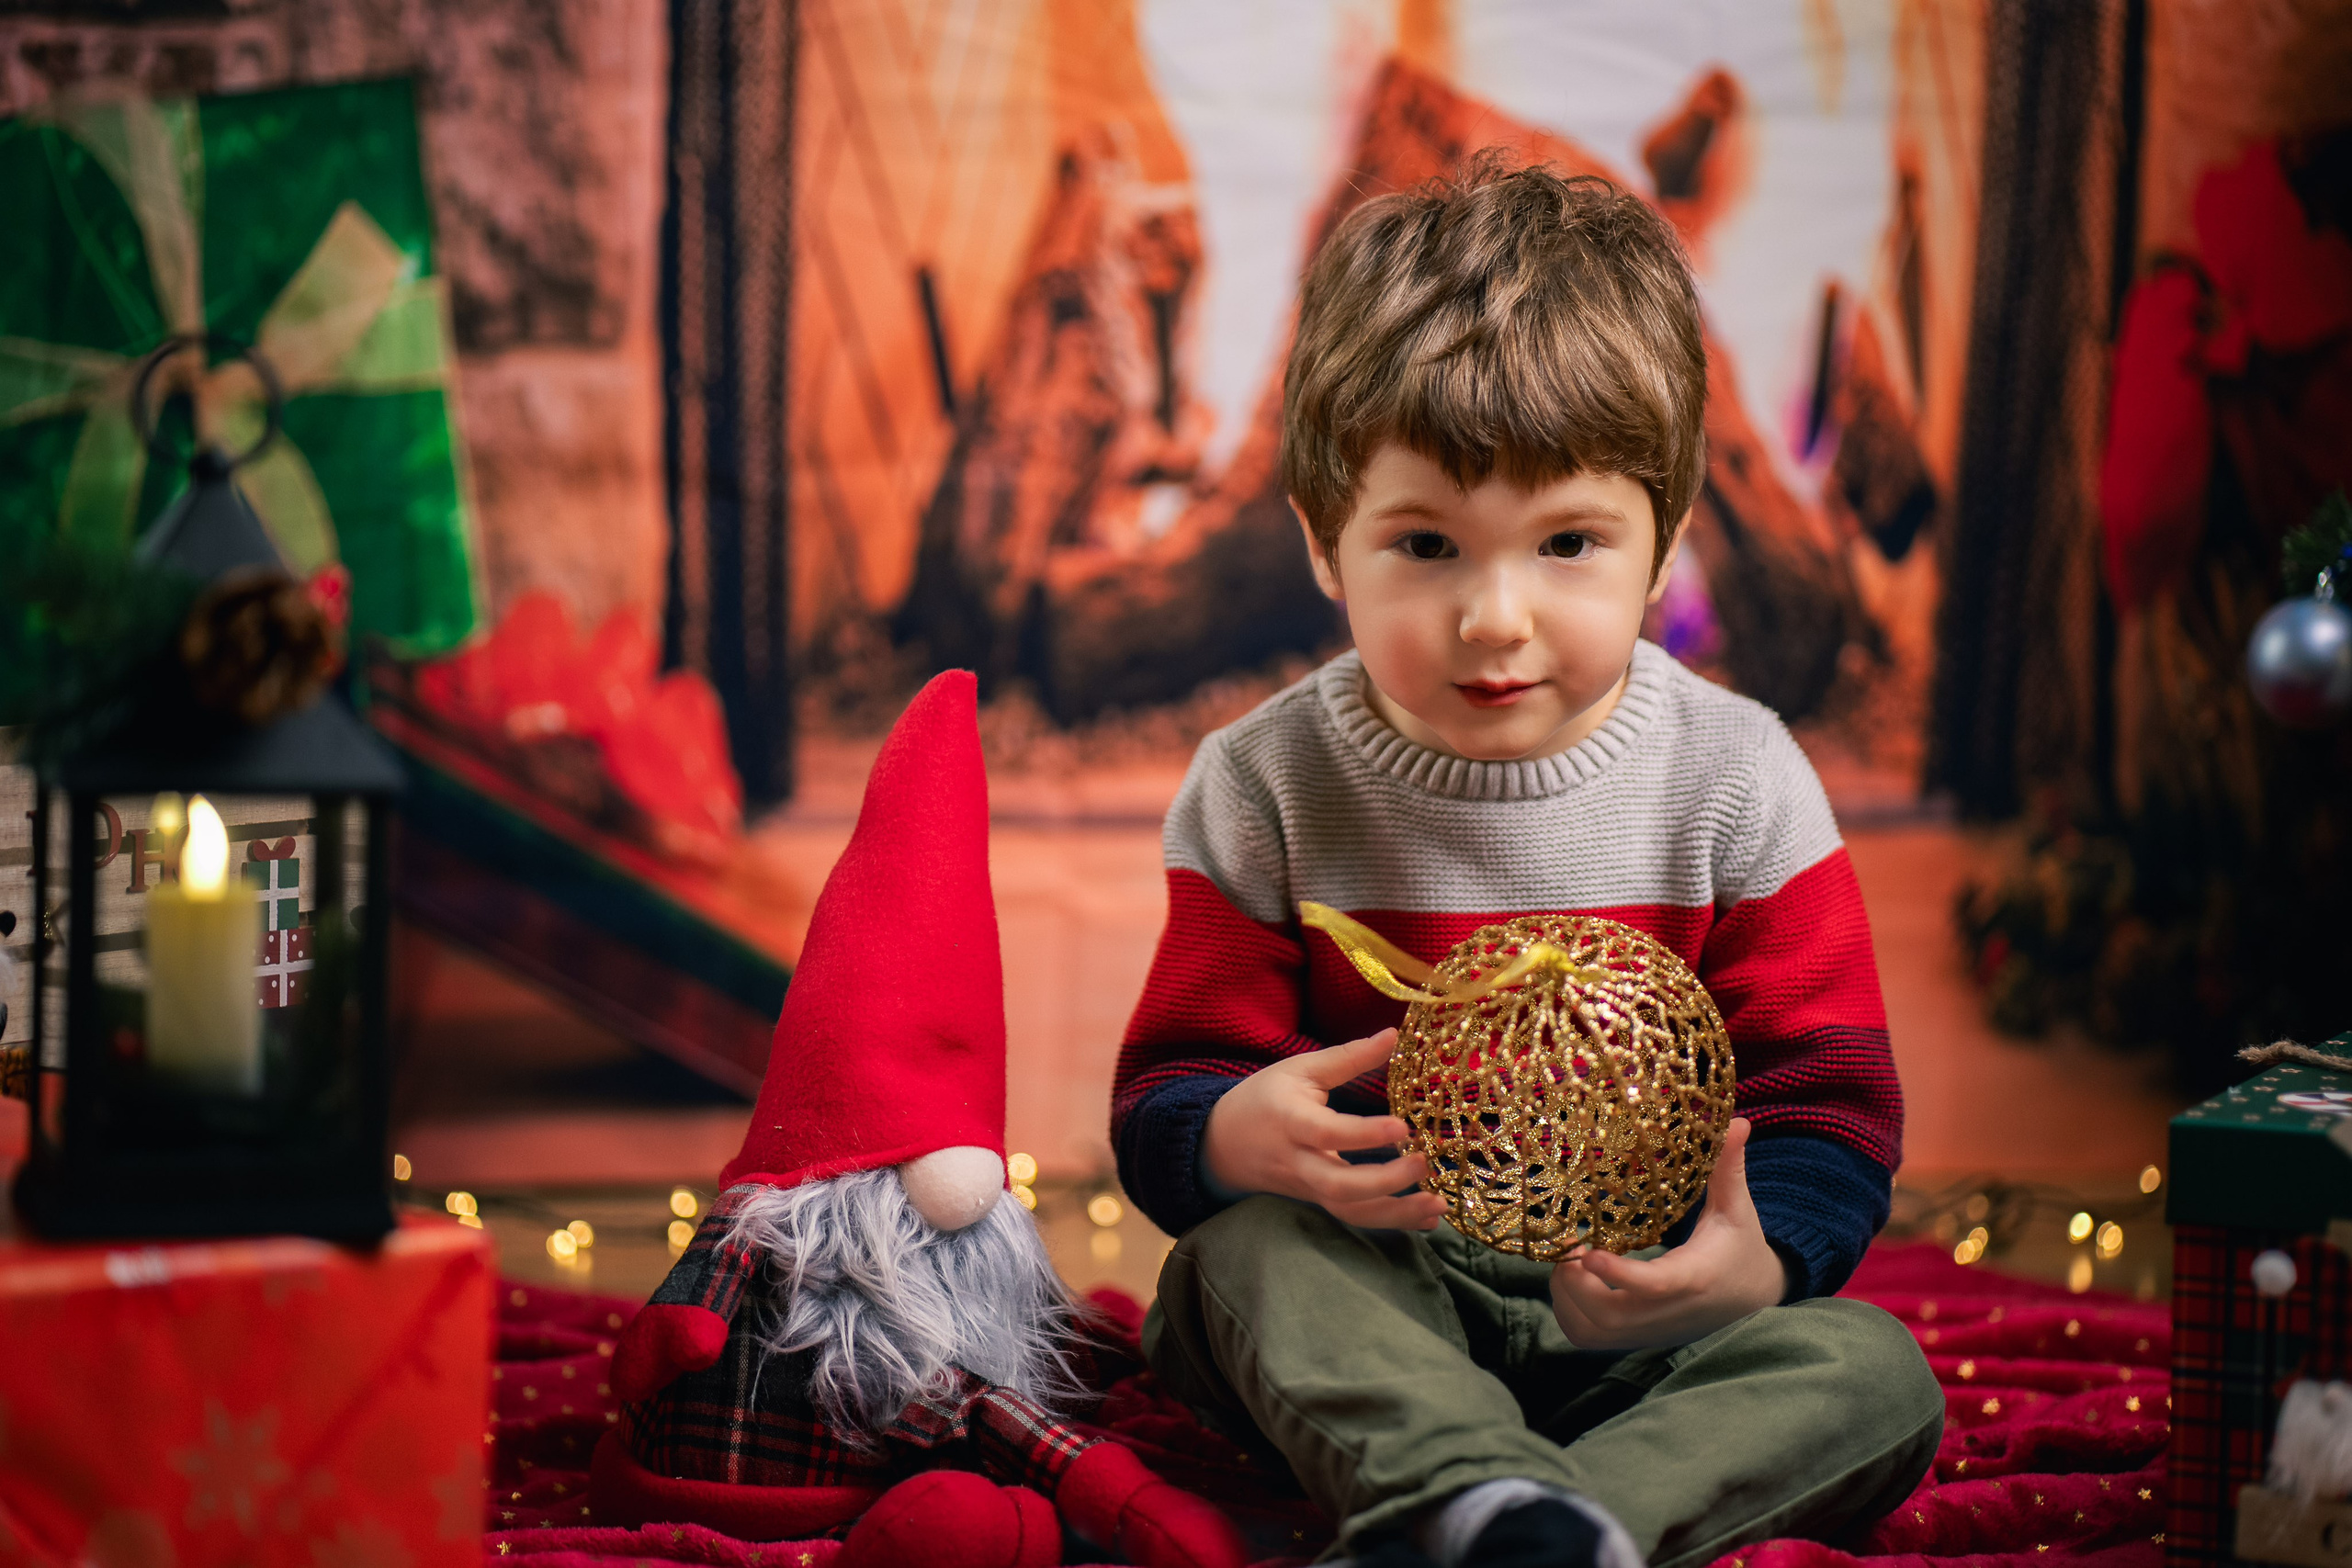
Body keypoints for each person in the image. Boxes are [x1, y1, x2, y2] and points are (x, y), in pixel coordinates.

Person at [1110, 163, 1943, 1568]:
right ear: (1324, 542)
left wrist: (1746, 1267)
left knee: (1872, 1372)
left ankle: (1526, 1523)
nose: (1496, 619)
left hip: (1641, 1320)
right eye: (1426, 545)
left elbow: (1834, 1109)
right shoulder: (1264, 786)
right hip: (1372, 1299)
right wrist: (1233, 1136)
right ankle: (1481, 1495)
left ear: (1667, 543)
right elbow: (1163, 1102)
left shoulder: (1740, 783)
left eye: (1568, 545)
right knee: (1236, 1267)